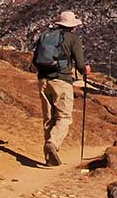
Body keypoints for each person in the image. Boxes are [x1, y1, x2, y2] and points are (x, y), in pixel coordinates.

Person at [31, 10, 88, 167]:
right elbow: (80, 64)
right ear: (73, 26)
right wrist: (85, 71)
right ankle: (53, 144)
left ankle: (49, 159)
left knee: (49, 118)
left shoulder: (46, 36)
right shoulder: (73, 38)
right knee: (64, 117)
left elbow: (35, 59)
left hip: (43, 80)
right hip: (61, 81)